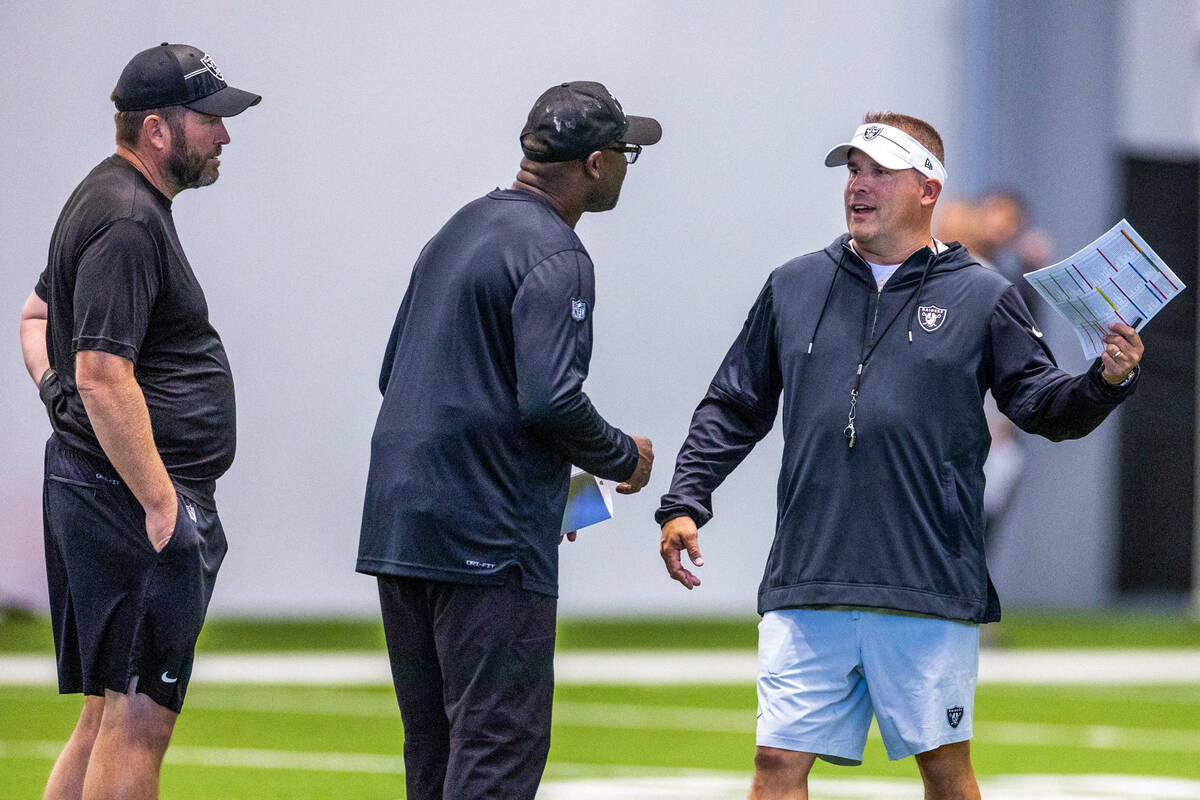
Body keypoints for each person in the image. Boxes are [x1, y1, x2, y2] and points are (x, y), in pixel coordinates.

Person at [656, 112, 1143, 800]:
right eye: (852, 169)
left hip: (925, 581)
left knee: (945, 773)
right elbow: (734, 403)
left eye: (879, 171)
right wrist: (684, 500)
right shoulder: (793, 285)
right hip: (810, 575)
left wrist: (1105, 380)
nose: (859, 184)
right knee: (774, 768)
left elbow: (1041, 407)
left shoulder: (983, 296)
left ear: (928, 188)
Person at [357, 81, 659, 800]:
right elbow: (549, 398)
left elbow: (393, 375)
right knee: (497, 747)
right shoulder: (558, 254)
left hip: (401, 527)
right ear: (593, 163)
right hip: (485, 541)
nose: (625, 166)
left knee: (434, 747)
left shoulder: (459, 229)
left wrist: (547, 490)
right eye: (624, 153)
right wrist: (625, 458)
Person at [18, 43, 259, 800]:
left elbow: (36, 319)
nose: (225, 136)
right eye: (210, 120)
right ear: (158, 130)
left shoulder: (109, 198)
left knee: (104, 713)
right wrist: (163, 506)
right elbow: (102, 371)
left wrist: (59, 396)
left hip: (101, 489)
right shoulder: (126, 219)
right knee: (138, 716)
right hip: (132, 501)